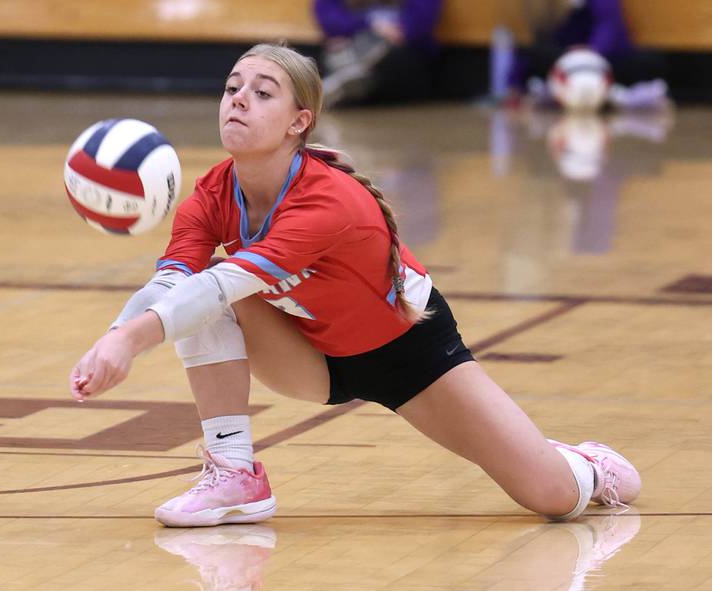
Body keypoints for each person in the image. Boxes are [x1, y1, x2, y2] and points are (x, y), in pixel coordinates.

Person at [69, 43, 641, 528]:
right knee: (195, 296)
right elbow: (172, 287)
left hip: (411, 351)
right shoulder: (210, 197)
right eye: (231, 87)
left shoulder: (328, 201)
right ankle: (236, 473)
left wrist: (128, 343)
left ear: (300, 121)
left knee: (551, 499)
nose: (238, 98)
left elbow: (221, 284)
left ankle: (577, 463)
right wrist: (118, 332)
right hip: (312, 355)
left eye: (262, 92)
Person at [506, 0, 668, 110]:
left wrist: (590, 55)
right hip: (567, 60)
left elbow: (609, 26)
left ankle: (615, 94)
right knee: (536, 53)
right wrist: (515, 85)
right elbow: (544, 40)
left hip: (606, 58)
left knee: (651, 60)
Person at [313, 0, 443, 107]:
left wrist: (396, 32)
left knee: (393, 58)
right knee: (335, 50)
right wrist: (369, 26)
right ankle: (349, 81)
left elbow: (419, 25)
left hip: (401, 54)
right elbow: (328, 19)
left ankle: (350, 82)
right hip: (355, 45)